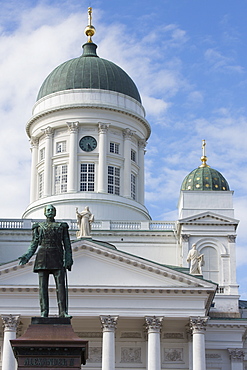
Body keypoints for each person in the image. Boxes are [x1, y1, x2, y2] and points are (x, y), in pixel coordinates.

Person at [19, 205, 73, 318]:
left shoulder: (61, 226)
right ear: (45, 213)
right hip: (43, 256)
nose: (50, 212)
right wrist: (27, 256)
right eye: (48, 210)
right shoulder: (38, 227)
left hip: (58, 255)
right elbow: (34, 243)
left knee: (61, 286)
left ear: (55, 212)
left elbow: (67, 244)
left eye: (52, 210)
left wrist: (68, 258)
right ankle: (44, 312)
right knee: (43, 287)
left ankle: (62, 312)